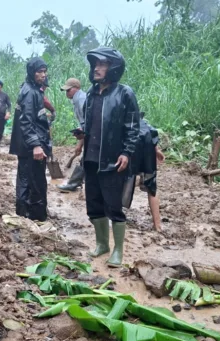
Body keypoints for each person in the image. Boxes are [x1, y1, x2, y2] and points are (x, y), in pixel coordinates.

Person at [76, 47, 140, 268]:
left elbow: (133, 127)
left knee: (114, 206)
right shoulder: (92, 94)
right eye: (96, 64)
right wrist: (81, 132)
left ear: (114, 68)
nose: (97, 68)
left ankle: (118, 250)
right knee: (93, 204)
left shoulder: (124, 93)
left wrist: (126, 152)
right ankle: (101, 243)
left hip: (113, 160)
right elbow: (88, 122)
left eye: (102, 64)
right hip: (91, 158)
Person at [9, 57, 51, 222]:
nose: (43, 75)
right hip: (31, 146)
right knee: (34, 182)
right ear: (32, 73)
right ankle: (34, 216)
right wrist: (36, 145)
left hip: (28, 144)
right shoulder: (30, 92)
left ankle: (25, 214)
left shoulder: (33, 89)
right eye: (39, 72)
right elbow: (26, 121)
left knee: (27, 179)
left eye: (44, 71)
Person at [129, 112, 165, 232]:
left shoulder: (125, 125)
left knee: (123, 183)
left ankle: (116, 217)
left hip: (131, 152)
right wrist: (157, 151)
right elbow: (153, 136)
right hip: (147, 155)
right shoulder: (147, 127)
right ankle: (157, 225)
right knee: (151, 188)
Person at [58, 78, 87, 192]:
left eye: (68, 90)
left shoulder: (81, 99)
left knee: (87, 159)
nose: (66, 93)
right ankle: (77, 182)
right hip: (88, 133)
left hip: (94, 133)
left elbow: (87, 122)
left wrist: (80, 142)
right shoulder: (76, 100)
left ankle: (74, 183)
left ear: (76, 88)